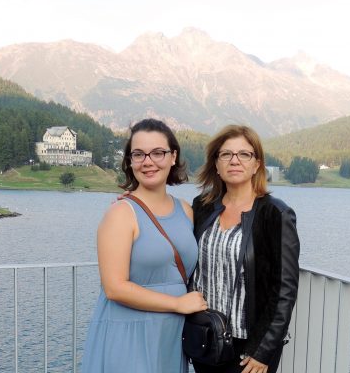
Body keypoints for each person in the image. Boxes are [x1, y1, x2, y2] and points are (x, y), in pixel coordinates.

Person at [82, 118, 207, 373]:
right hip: (130, 333)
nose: (148, 161)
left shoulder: (185, 210)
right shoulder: (121, 213)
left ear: (173, 157)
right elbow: (114, 288)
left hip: (171, 336)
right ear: (129, 161)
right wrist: (177, 304)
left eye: (158, 153)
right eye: (138, 154)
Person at [190, 125, 300, 373]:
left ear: (257, 164)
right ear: (216, 164)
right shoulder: (202, 207)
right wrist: (134, 198)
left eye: (244, 154)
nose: (234, 160)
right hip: (206, 337)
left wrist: (263, 350)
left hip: (249, 349)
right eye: (226, 154)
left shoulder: (276, 213)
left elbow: (285, 290)